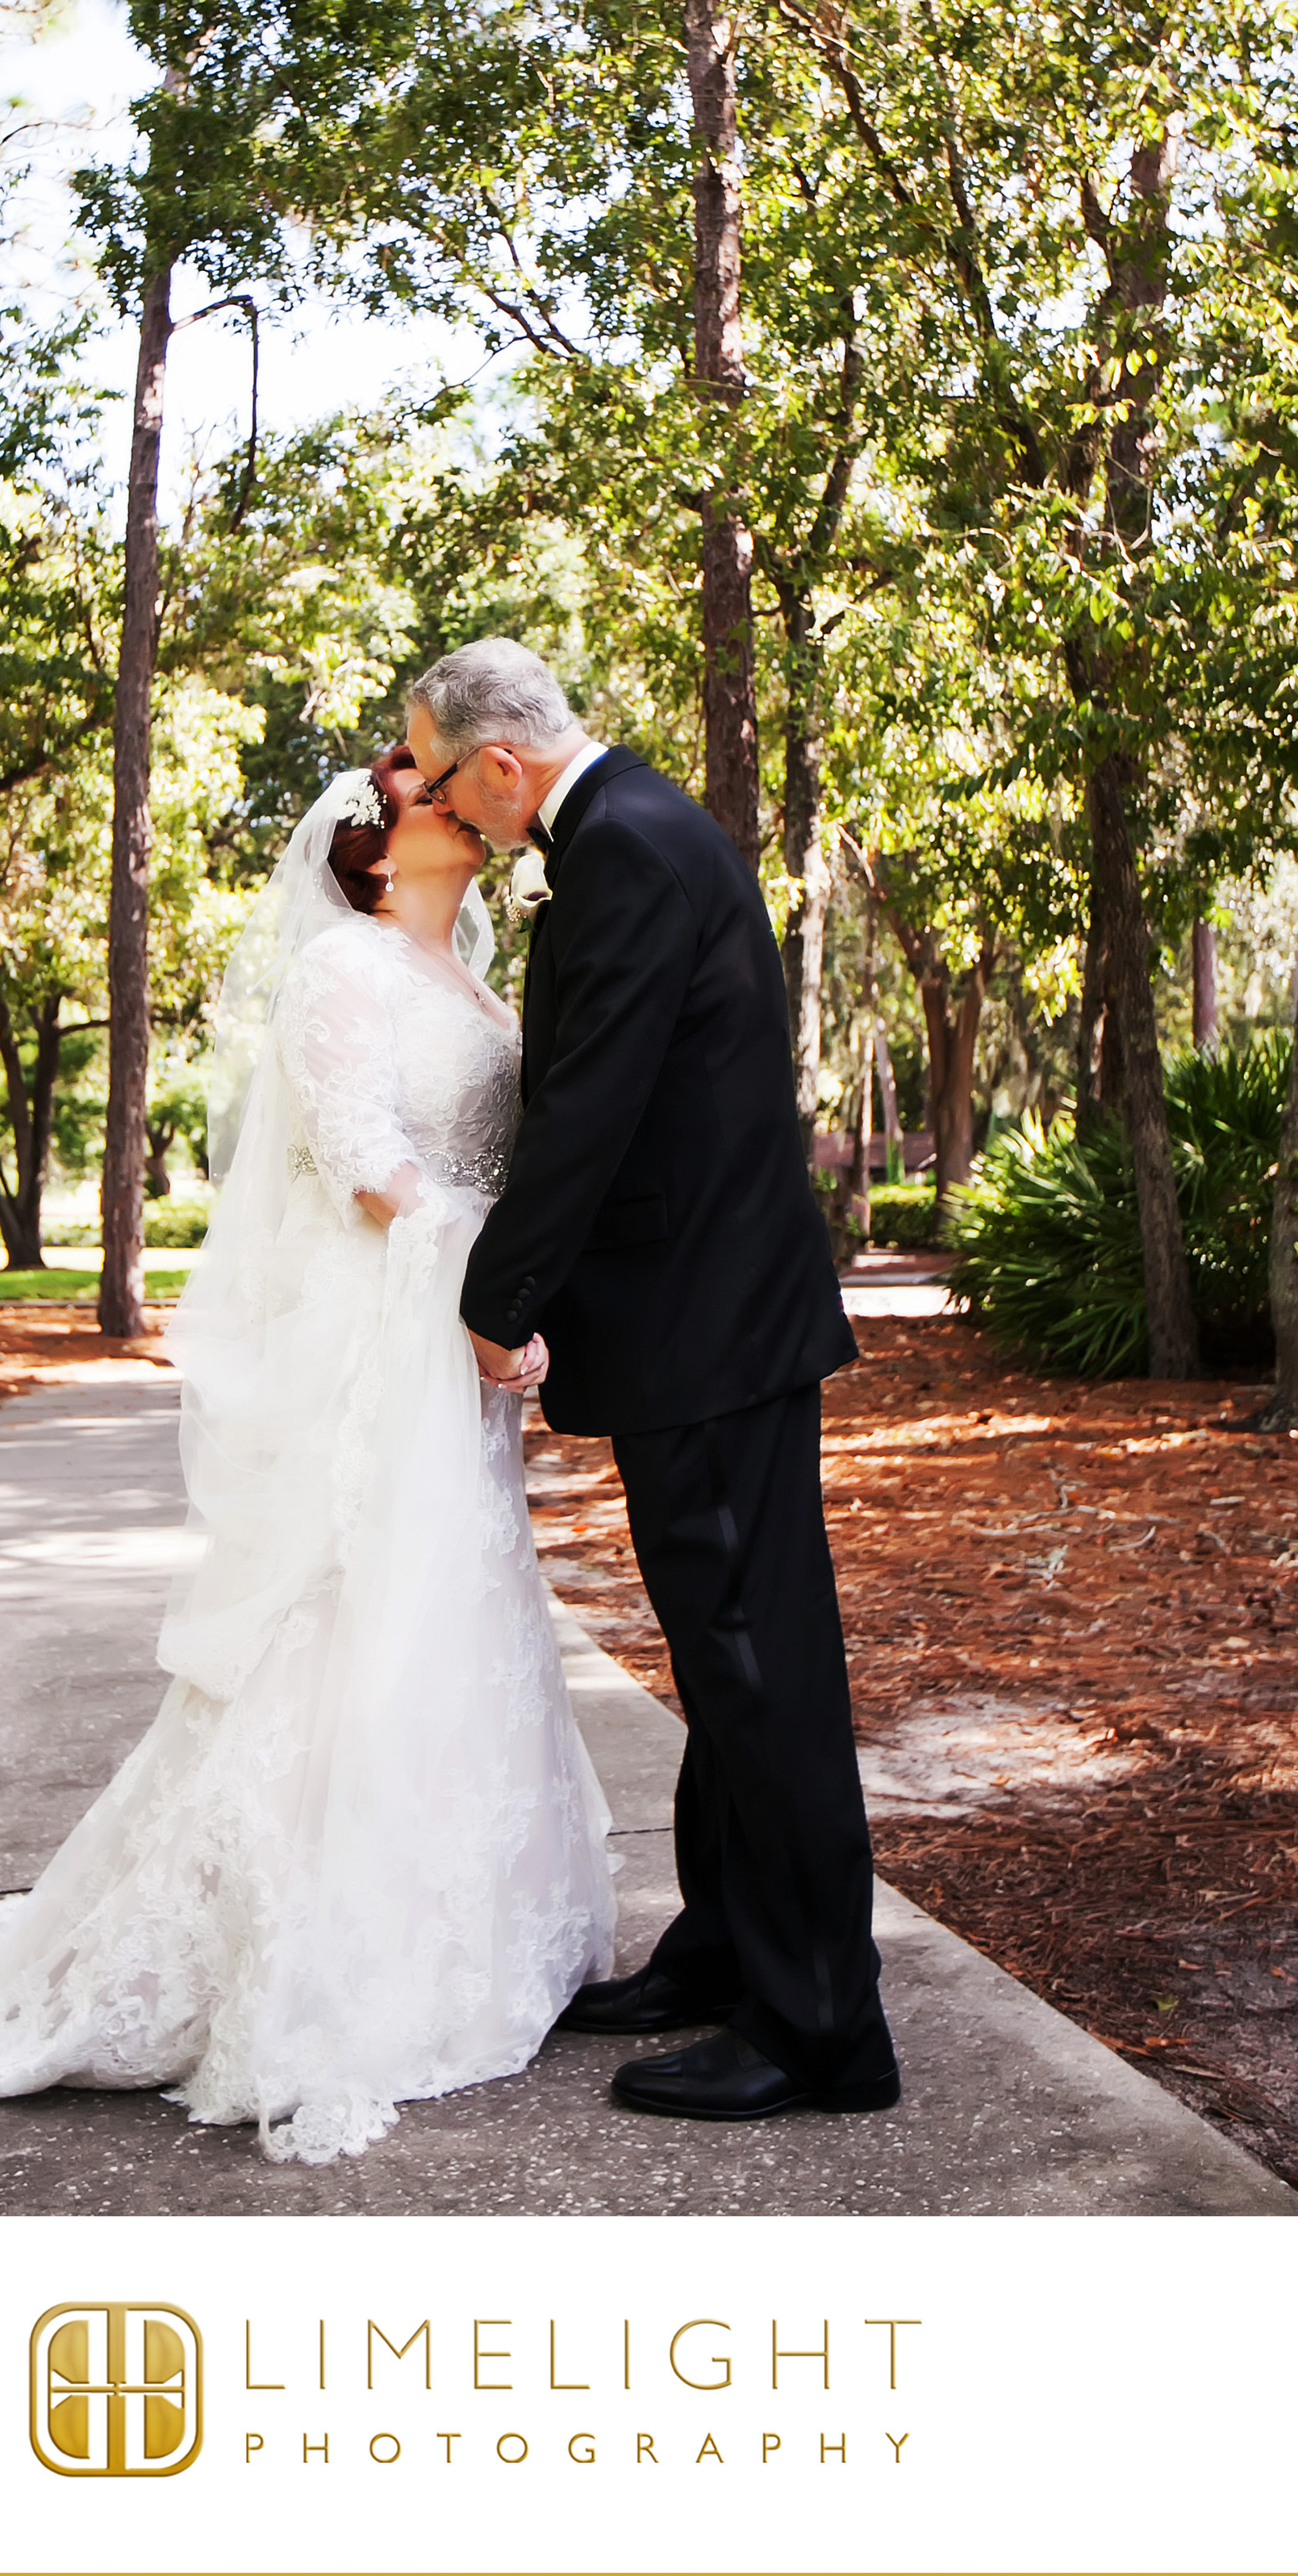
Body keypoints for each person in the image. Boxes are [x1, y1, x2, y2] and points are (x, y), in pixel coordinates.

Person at [0, 750, 615, 2163]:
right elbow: (361, 1157)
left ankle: (469, 1922)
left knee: (449, 1603)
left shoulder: (468, 974)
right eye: (426, 796)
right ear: (371, 846)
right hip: (397, 1327)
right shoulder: (342, 972)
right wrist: (483, 1308)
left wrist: (505, 1303)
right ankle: (310, 1956)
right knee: (351, 1604)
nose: (458, 810)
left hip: (452, 1332)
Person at [404, 640, 899, 2123]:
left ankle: (823, 2033)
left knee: (761, 1669)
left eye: (438, 779)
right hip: (715, 1318)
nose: (444, 810)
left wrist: (498, 1301)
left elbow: (592, 1108)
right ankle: (726, 1950)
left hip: (711, 1326)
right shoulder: (639, 829)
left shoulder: (620, 850)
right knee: (725, 1658)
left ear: (496, 764)